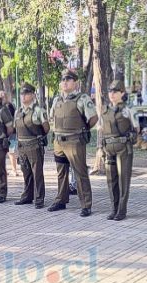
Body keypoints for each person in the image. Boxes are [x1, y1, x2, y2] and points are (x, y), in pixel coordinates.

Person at [48, 69, 98, 216]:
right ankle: (61, 200)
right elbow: (52, 117)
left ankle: (86, 205)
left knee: (80, 172)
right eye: (63, 80)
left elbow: (93, 118)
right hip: (58, 141)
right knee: (61, 172)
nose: (65, 82)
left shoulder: (82, 98)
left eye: (68, 79)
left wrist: (84, 129)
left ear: (75, 83)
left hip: (75, 141)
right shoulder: (57, 100)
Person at [99, 80, 139, 221]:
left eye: (115, 91)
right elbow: (101, 130)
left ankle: (121, 210)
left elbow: (136, 129)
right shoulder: (105, 109)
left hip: (123, 148)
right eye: (110, 91)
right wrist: (100, 148)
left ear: (122, 93)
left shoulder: (128, 109)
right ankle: (113, 208)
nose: (112, 94)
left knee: (123, 180)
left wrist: (131, 138)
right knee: (111, 180)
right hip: (109, 149)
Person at [13, 83, 49, 208]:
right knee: (26, 172)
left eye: (27, 93)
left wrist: (38, 138)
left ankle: (39, 198)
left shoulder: (38, 110)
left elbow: (46, 128)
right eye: (22, 94)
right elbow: (16, 129)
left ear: (33, 95)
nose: (23, 96)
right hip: (22, 145)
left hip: (34, 145)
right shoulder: (18, 111)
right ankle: (27, 196)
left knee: (37, 173)